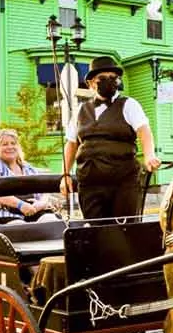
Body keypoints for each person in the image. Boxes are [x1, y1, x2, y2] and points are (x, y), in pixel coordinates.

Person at [59, 55, 159, 219]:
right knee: (95, 230)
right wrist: (65, 174)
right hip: (89, 183)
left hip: (122, 181)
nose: (109, 81)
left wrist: (149, 155)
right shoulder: (80, 110)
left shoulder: (129, 104)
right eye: (102, 78)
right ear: (91, 83)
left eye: (113, 78)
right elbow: (71, 144)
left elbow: (144, 131)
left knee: (123, 230)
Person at [0, 129, 58, 224]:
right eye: (4, 144)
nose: (10, 147)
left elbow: (44, 190)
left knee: (51, 220)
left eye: (13, 143)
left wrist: (41, 204)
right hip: (7, 214)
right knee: (19, 227)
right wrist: (20, 205)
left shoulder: (28, 168)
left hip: (34, 210)